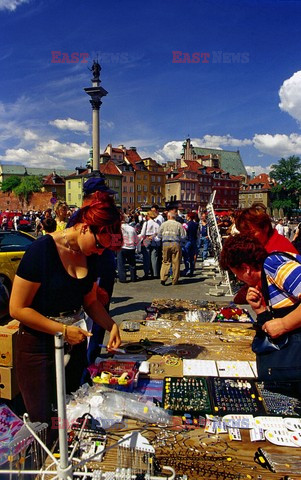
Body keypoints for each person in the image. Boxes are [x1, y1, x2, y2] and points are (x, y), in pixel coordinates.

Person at [9, 191, 122, 431]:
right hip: (38, 348)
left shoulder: (90, 255)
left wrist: (111, 325)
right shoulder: (42, 250)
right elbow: (17, 308)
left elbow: (90, 302)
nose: (101, 251)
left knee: (73, 412)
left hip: (73, 343)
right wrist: (61, 330)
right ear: (84, 228)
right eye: (100, 244)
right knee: (47, 423)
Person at [220, 233, 301, 392]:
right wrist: (260, 310)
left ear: (246, 268)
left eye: (236, 274)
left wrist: (284, 324)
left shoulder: (274, 264)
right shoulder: (267, 276)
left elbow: (283, 325)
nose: (238, 279)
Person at [158, 211, 186, 285]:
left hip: (165, 243)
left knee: (165, 261)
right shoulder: (178, 225)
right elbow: (183, 236)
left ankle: (163, 278)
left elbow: (159, 235)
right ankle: (175, 280)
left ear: (169, 216)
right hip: (175, 243)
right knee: (176, 262)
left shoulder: (163, 224)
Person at [117, 214, 138, 283]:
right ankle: (133, 277)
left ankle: (122, 278)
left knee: (121, 263)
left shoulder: (118, 228)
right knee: (132, 263)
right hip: (131, 247)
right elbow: (136, 238)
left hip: (122, 247)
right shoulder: (132, 228)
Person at [139, 211, 160, 279]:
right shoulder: (157, 224)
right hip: (154, 240)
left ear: (148, 216)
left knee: (146, 257)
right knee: (154, 258)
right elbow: (158, 234)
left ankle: (146, 273)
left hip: (146, 239)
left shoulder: (146, 223)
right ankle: (155, 273)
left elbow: (142, 233)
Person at [182, 211, 199, 276]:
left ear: (189, 217)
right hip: (194, 241)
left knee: (186, 256)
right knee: (192, 256)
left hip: (188, 241)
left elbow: (184, 234)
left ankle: (187, 269)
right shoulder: (196, 224)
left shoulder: (186, 225)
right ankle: (192, 270)